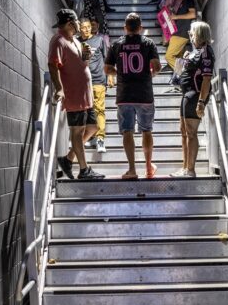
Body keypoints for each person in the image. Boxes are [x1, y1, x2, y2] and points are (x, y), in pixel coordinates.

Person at [48, 9, 104, 181]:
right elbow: (52, 64)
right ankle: (84, 169)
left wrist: (86, 57)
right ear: (71, 23)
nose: (80, 25)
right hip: (74, 95)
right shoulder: (58, 40)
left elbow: (82, 65)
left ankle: (68, 159)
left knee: (93, 127)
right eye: (78, 22)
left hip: (85, 94)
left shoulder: (76, 42)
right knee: (77, 131)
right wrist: (59, 88)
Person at [105, 13, 162, 179]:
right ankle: (148, 168)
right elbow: (157, 67)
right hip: (144, 94)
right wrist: (149, 75)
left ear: (124, 28)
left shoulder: (116, 45)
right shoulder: (148, 43)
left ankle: (132, 170)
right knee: (147, 131)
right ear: (140, 28)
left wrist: (120, 73)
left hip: (124, 95)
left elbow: (107, 69)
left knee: (127, 131)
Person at [172, 21, 215, 178]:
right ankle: (185, 168)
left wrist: (201, 102)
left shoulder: (206, 52)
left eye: (192, 33)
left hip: (195, 95)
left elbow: (206, 79)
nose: (190, 36)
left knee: (191, 133)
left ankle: (190, 170)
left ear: (200, 34)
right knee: (183, 131)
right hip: (187, 94)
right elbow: (182, 71)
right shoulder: (195, 51)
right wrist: (185, 59)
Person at [79, 19, 111, 154]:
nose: (86, 29)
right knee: (84, 110)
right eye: (83, 27)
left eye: (88, 27)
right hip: (82, 81)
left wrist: (110, 76)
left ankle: (100, 139)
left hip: (98, 79)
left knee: (99, 110)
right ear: (79, 29)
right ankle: (86, 137)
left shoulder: (99, 40)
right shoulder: (76, 42)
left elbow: (107, 58)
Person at [165, 0, 197, 74]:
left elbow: (193, 14)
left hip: (181, 33)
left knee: (169, 56)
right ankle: (182, 79)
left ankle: (185, 74)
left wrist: (176, 17)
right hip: (179, 32)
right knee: (178, 58)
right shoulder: (183, 2)